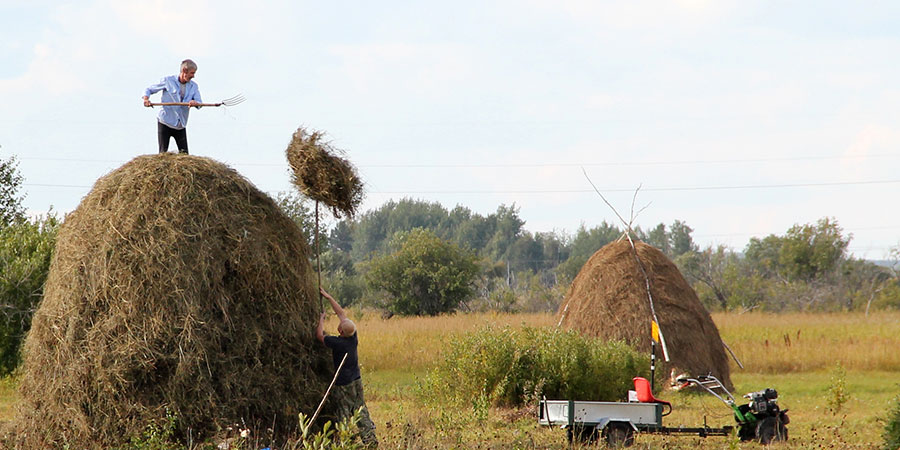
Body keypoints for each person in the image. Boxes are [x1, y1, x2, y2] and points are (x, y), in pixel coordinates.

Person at [316, 287, 378, 447]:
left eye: (341, 324)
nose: (340, 321)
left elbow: (319, 336)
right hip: (356, 380)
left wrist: (321, 318)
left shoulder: (338, 343)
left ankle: (345, 441)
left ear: (341, 331)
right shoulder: (352, 337)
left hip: (343, 384)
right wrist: (329, 297)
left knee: (343, 412)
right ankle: (370, 439)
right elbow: (341, 313)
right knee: (360, 408)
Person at [142, 59, 202, 154]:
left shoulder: (194, 86)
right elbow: (149, 89)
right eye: (192, 73)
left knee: (185, 155)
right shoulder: (168, 81)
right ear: (184, 71)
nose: (193, 76)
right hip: (165, 122)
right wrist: (146, 99)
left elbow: (199, 103)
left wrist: (195, 103)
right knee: (162, 153)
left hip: (180, 124)